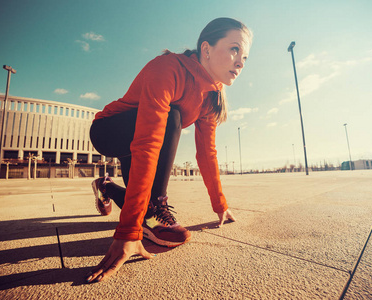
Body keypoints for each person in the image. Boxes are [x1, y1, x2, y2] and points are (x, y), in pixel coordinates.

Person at [86, 17, 252, 283]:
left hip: (140, 140)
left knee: (144, 211)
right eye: (234, 49)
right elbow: (148, 141)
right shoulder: (169, 68)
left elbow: (207, 153)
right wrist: (128, 232)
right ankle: (158, 202)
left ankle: (105, 186)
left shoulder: (211, 97)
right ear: (206, 49)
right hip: (109, 130)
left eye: (245, 56)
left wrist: (220, 205)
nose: (241, 61)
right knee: (172, 116)